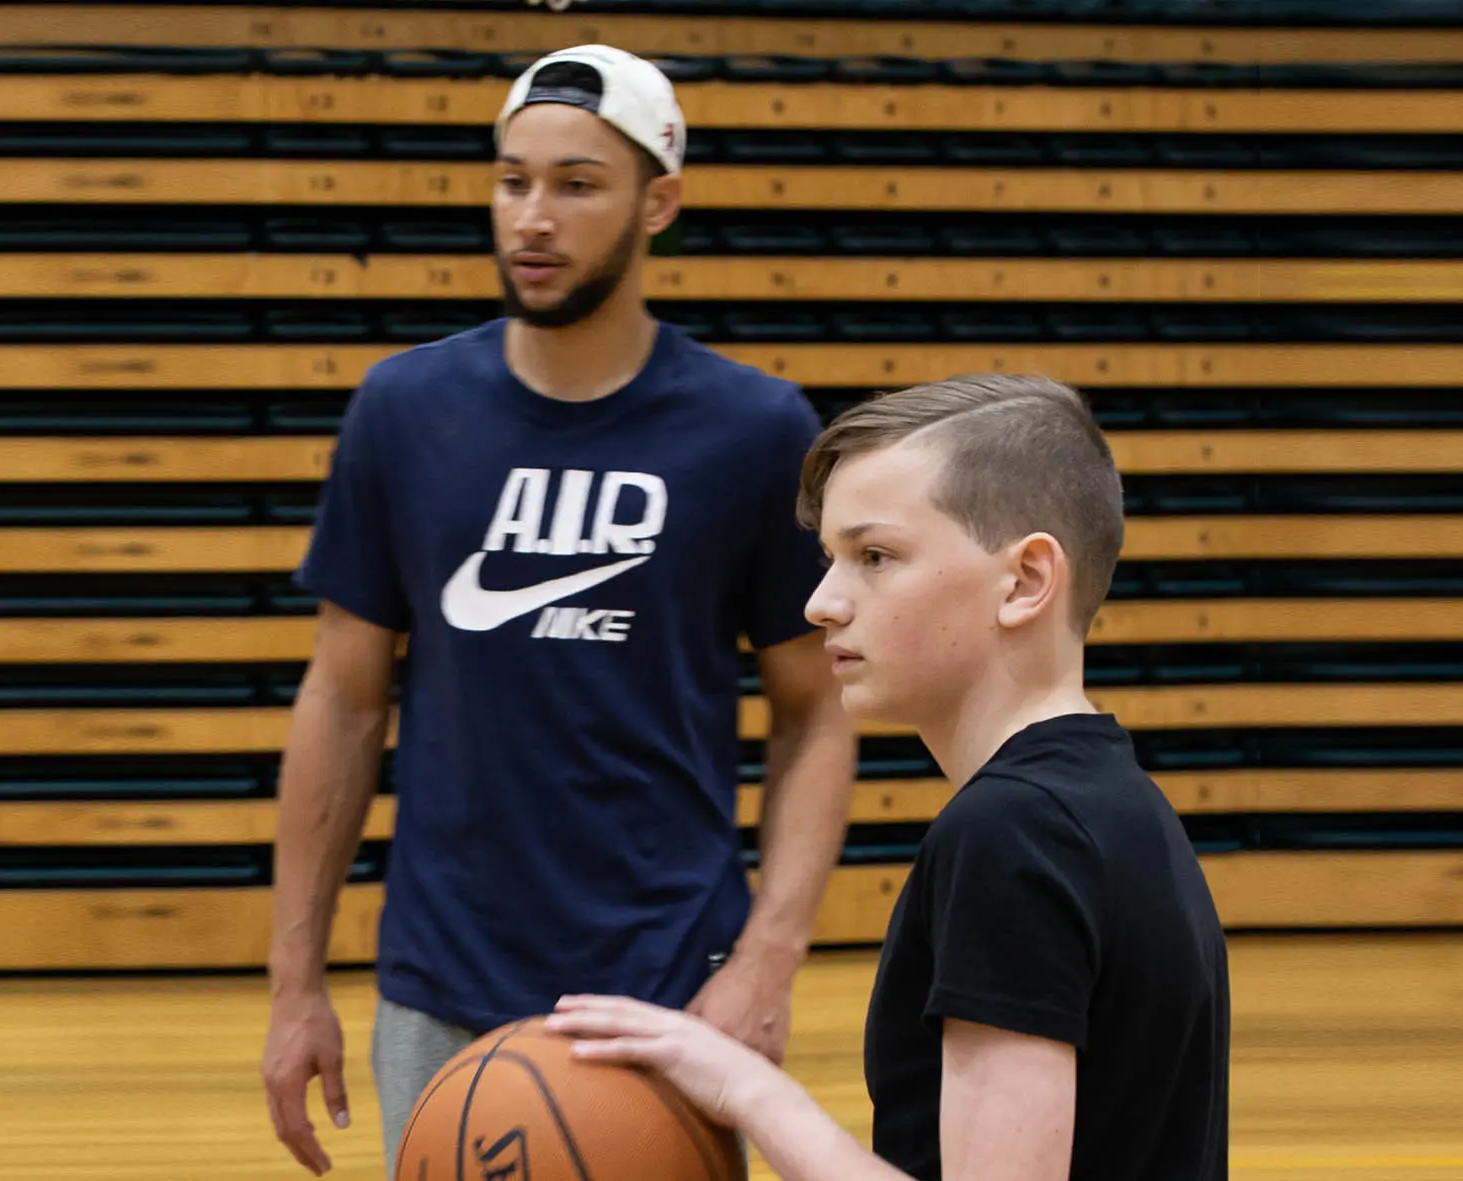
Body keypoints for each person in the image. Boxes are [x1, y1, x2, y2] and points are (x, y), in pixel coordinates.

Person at [253, 43, 867, 1177]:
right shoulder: (403, 409)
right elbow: (340, 702)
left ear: (658, 203)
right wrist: (295, 986)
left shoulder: (755, 429)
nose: (533, 217)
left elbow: (814, 713)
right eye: (512, 179)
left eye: (577, 184)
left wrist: (766, 962)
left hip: (670, 979)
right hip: (442, 980)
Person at [547, 375, 1233, 1181]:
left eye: (874, 556)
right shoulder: (1120, 805)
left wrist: (751, 1090)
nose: (820, 603)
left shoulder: (1012, 832)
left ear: (1025, 581)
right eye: (830, 558)